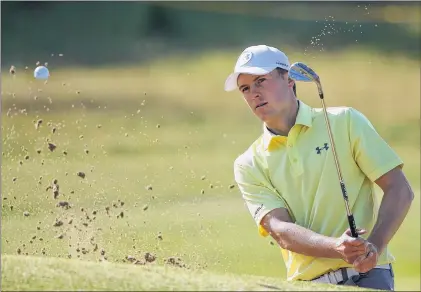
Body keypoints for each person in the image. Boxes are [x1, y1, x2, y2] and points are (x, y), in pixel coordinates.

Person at [225, 45, 414, 290]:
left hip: (370, 277)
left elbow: (399, 189)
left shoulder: (345, 121)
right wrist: (337, 247)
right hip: (308, 284)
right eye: (245, 88)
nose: (254, 94)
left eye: (261, 81)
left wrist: (374, 247)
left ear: (290, 79)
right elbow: (280, 230)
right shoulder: (249, 163)